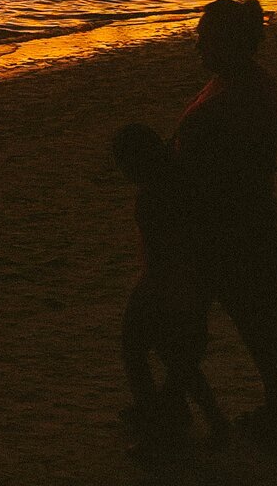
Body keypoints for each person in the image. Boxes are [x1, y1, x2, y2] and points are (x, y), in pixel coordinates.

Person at [174, 0, 277, 453]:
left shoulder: (239, 94)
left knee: (194, 320)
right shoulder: (242, 84)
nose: (196, 45)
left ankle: (182, 413)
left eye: (203, 37)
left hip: (228, 224)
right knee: (246, 324)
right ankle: (275, 410)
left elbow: (229, 165)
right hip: (239, 221)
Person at [112, 123, 229, 457]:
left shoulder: (152, 199)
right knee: (178, 358)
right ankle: (207, 416)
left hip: (167, 287)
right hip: (196, 283)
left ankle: (157, 426)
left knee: (137, 350)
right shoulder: (183, 179)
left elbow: (162, 255)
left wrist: (154, 291)